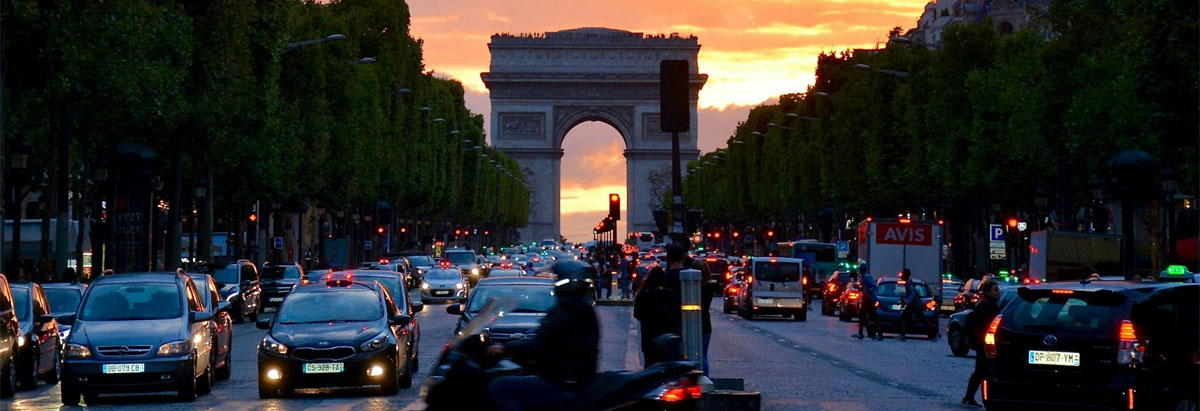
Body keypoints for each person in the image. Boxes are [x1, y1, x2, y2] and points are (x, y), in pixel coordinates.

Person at [486, 260, 600, 411]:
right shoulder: (582, 309)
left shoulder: (564, 312)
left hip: (562, 382)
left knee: (499, 387)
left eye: (557, 278)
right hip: (574, 379)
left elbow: (538, 345)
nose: (555, 281)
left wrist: (504, 348)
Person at [962, 280, 1001, 407]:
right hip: (985, 343)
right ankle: (972, 397)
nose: (998, 292)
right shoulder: (990, 306)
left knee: (980, 371)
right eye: (995, 290)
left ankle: (969, 397)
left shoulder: (983, 304)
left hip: (981, 342)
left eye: (998, 290)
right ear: (988, 292)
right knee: (982, 371)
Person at [634, 267, 681, 367]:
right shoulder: (670, 294)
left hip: (648, 333)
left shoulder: (644, 294)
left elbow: (637, 313)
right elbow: (678, 313)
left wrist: (647, 320)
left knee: (649, 362)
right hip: (667, 333)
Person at [898, 268, 939, 342]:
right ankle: (933, 334)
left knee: (906, 318)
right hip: (914, 305)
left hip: (914, 305)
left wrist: (906, 302)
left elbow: (913, 294)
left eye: (902, 273)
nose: (901, 275)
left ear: (906, 275)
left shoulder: (909, 283)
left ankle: (934, 334)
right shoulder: (908, 282)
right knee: (907, 318)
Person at [853, 262, 882, 340]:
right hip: (867, 299)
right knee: (871, 316)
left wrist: (868, 291)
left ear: (862, 269)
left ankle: (861, 332)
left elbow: (874, 286)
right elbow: (865, 288)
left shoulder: (867, 277)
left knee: (863, 316)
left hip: (869, 300)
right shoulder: (864, 277)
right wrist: (859, 288)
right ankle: (878, 333)